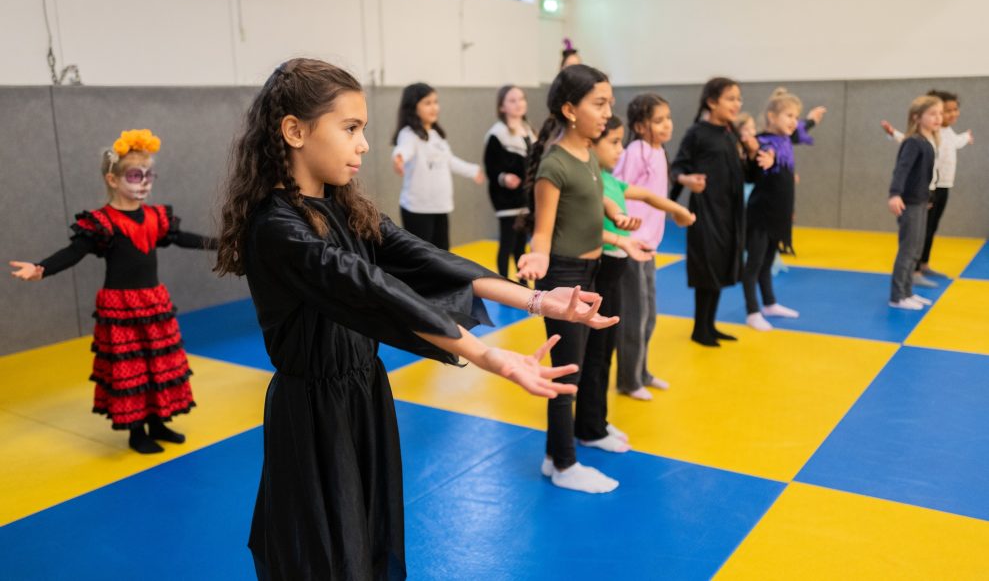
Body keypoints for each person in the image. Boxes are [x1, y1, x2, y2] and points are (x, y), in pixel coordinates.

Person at [214, 58, 619, 579]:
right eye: (350, 128)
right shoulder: (277, 228)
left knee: (371, 537)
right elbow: (371, 291)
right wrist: (486, 355)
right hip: (314, 413)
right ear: (295, 131)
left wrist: (538, 301)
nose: (364, 145)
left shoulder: (345, 208)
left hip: (365, 395)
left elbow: (423, 259)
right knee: (324, 552)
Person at [9, 129, 214, 454]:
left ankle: (158, 422)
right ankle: (136, 432)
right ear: (113, 180)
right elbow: (74, 252)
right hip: (121, 308)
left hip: (153, 302)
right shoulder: (102, 223)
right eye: (135, 176)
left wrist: (221, 243)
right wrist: (41, 268)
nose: (144, 183)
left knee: (158, 363)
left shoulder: (155, 217)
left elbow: (183, 238)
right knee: (130, 368)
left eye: (149, 175)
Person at [517, 65, 653, 494]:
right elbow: (543, 231)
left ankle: (557, 451)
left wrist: (619, 227)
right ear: (570, 110)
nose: (608, 112)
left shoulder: (589, 156)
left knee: (587, 363)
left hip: (592, 272)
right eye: (599, 103)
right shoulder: (554, 165)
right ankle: (564, 463)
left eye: (609, 103)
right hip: (565, 276)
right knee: (566, 375)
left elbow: (595, 207)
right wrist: (537, 259)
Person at [594, 113, 694, 402]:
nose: (620, 150)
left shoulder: (612, 180)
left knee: (648, 314)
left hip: (641, 246)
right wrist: (621, 227)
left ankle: (640, 372)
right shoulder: (595, 181)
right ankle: (629, 378)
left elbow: (649, 196)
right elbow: (602, 214)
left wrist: (679, 210)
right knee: (631, 318)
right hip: (618, 256)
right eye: (614, 142)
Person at [669, 78, 773, 346]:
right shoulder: (697, 133)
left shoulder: (731, 133)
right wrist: (686, 181)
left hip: (731, 214)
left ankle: (710, 325)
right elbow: (677, 168)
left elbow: (747, 176)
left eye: (739, 98)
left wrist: (755, 157)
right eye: (730, 98)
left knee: (720, 266)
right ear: (712, 102)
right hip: (707, 212)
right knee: (707, 267)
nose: (737, 104)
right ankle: (699, 329)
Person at [881, 89, 974, 285]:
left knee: (930, 229)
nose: (949, 115)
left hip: (940, 187)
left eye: (951, 111)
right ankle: (911, 275)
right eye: (942, 111)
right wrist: (895, 193)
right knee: (916, 237)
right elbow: (906, 152)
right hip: (924, 190)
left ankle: (922, 265)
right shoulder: (922, 138)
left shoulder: (943, 134)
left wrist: (966, 137)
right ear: (919, 116)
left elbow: (956, 143)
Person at [743, 88, 816, 331]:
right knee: (754, 264)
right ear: (772, 117)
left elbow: (802, 129)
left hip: (778, 213)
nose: (794, 121)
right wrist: (766, 160)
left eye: (796, 116)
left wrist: (811, 120)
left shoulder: (785, 140)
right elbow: (757, 165)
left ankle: (770, 304)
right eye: (789, 116)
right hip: (761, 213)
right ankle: (752, 312)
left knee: (767, 262)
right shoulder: (763, 142)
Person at [391, 82, 484, 250]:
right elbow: (404, 149)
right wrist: (398, 158)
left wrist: (473, 171)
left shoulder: (436, 135)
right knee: (421, 256)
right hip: (418, 209)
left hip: (440, 206)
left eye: (435, 102)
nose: (434, 107)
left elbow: (449, 161)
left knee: (442, 254)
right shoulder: (409, 134)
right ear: (413, 108)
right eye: (427, 103)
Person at [888, 95, 942, 310]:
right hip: (908, 203)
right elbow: (901, 170)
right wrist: (895, 194)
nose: (938, 118)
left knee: (917, 249)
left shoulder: (928, 142)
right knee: (908, 250)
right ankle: (897, 296)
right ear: (916, 117)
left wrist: (927, 197)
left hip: (920, 201)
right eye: (932, 114)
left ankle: (907, 292)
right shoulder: (913, 142)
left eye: (940, 114)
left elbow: (925, 175)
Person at [483, 84, 534, 278]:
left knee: (521, 244)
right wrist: (504, 178)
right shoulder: (497, 134)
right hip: (506, 198)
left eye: (521, 99)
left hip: (525, 197)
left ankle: (523, 282)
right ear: (502, 107)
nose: (518, 104)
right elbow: (491, 167)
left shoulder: (529, 131)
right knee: (507, 242)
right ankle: (503, 281)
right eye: (512, 100)